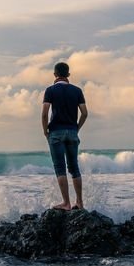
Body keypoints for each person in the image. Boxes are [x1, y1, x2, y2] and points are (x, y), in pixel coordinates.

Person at [42, 62, 88, 211]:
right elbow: (85, 113)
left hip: (56, 132)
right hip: (72, 132)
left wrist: (45, 131)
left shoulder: (50, 90)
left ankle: (66, 203)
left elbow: (44, 114)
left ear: (55, 75)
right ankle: (79, 203)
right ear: (68, 75)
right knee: (74, 168)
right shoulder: (77, 91)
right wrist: (76, 128)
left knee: (60, 168)